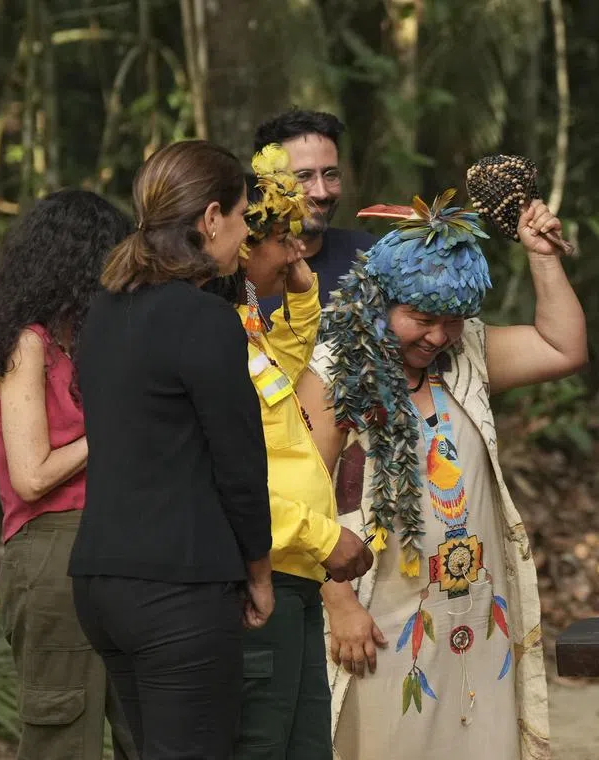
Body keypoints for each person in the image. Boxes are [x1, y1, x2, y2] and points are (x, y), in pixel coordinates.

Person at [298, 190, 587, 760]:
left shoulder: (468, 353)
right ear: (378, 301)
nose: (437, 337)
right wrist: (339, 604)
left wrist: (542, 256)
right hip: (377, 611)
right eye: (422, 319)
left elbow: (562, 347)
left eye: (452, 320)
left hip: (476, 611)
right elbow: (299, 496)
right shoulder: (335, 370)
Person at [69, 139, 275, 759]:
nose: (245, 236)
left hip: (101, 581)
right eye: (242, 218)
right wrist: (259, 571)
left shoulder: (102, 310)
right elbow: (238, 461)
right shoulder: (203, 318)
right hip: (177, 587)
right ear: (210, 218)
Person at [0, 189, 137, 760]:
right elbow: (31, 476)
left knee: (149, 728)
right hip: (55, 549)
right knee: (64, 735)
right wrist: (113, 428)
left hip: (118, 542)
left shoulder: (81, 345)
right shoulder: (26, 345)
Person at [207, 144, 374, 760]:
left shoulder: (245, 324)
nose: (299, 250)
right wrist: (321, 538)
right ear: (245, 245)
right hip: (267, 572)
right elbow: (225, 476)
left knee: (307, 745)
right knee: (262, 743)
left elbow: (282, 370)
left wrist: (302, 297)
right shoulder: (212, 334)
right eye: (285, 239)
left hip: (298, 572)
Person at [253, 109, 376, 312]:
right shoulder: (237, 270)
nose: (321, 192)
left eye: (330, 174)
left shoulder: (372, 259)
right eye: (303, 176)